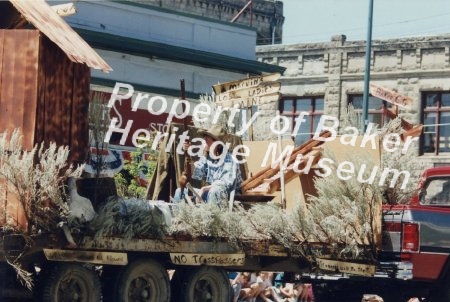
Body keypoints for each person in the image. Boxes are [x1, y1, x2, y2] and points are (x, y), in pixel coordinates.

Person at [181, 124, 243, 205]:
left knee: (214, 192)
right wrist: (188, 155)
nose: (204, 140)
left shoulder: (229, 159)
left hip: (228, 197)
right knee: (180, 192)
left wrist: (204, 189)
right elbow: (197, 174)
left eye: (207, 137)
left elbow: (225, 184)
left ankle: (212, 217)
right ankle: (180, 216)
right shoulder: (207, 157)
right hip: (211, 193)